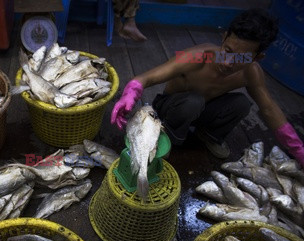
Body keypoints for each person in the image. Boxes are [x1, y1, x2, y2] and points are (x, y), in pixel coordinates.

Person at [110, 8, 304, 167]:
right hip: (170, 109)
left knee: (242, 103)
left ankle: (209, 135)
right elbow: (147, 77)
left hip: (203, 110)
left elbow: (269, 109)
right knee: (193, 101)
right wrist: (131, 92)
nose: (228, 62)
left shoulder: (251, 72)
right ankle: (166, 138)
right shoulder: (197, 57)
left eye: (240, 58)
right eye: (228, 51)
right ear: (224, 37)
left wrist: (298, 150)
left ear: (257, 58)